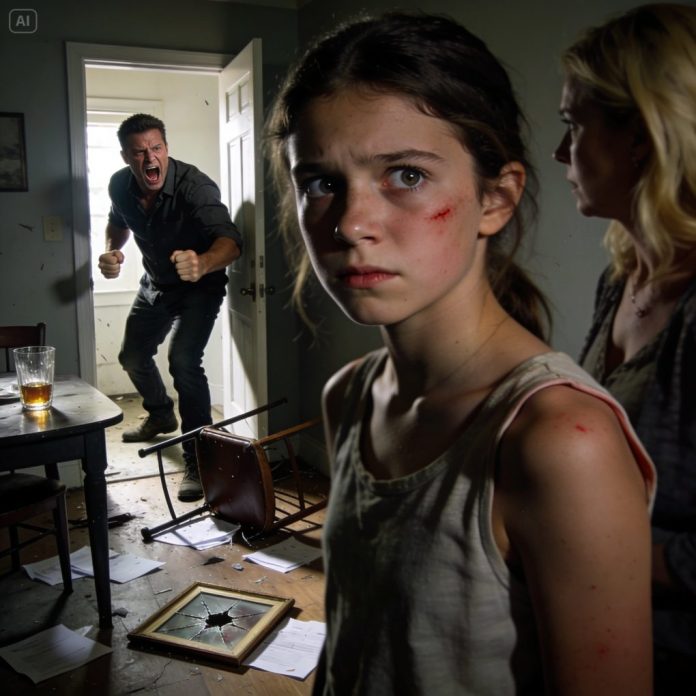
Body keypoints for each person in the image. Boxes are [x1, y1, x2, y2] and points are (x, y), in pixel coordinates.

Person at [266, 11, 657, 695]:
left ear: (495, 199)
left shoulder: (560, 442)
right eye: (321, 183)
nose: (352, 223)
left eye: (405, 175)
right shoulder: (350, 395)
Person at [553, 4, 696, 693]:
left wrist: (586, 556)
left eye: (574, 125)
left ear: (640, 136)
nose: (561, 153)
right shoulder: (624, 277)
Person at [97, 113, 242, 502]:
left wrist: (203, 262)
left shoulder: (195, 186)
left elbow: (231, 241)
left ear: (166, 148)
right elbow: (118, 223)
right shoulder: (120, 184)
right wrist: (112, 251)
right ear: (126, 156)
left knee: (183, 363)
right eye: (139, 152)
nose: (150, 158)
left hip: (199, 289)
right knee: (132, 356)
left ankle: (199, 458)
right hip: (154, 286)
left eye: (156, 148)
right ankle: (161, 413)